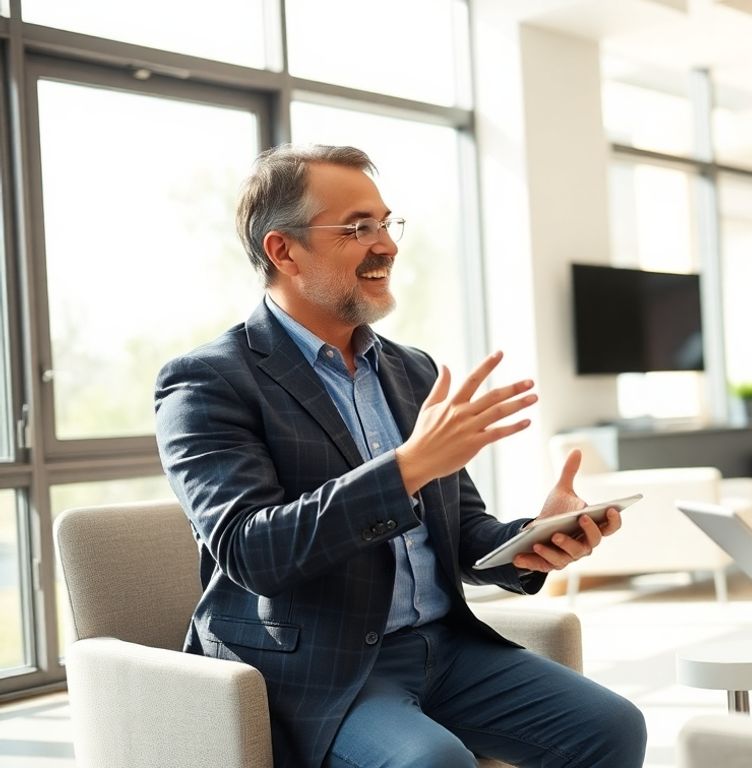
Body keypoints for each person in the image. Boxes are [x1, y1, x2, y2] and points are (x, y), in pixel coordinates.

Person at [154, 144, 648, 768]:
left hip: (443, 648)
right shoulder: (207, 381)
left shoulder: (410, 371)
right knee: (431, 763)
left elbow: (463, 532)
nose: (385, 244)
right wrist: (409, 466)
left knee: (612, 726)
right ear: (283, 251)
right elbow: (254, 553)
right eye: (358, 228)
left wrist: (535, 538)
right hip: (320, 668)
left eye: (386, 224)